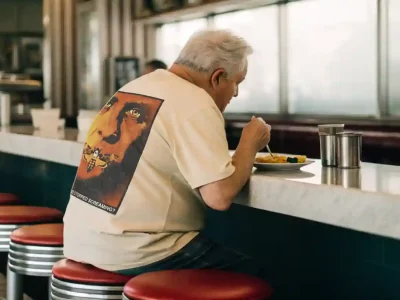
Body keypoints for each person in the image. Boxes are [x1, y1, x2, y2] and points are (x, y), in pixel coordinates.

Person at [63, 29, 271, 278]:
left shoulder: (132, 89)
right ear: (217, 77)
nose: (235, 93)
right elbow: (219, 196)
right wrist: (249, 142)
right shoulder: (195, 100)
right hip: (138, 250)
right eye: (236, 82)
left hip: (80, 241)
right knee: (256, 275)